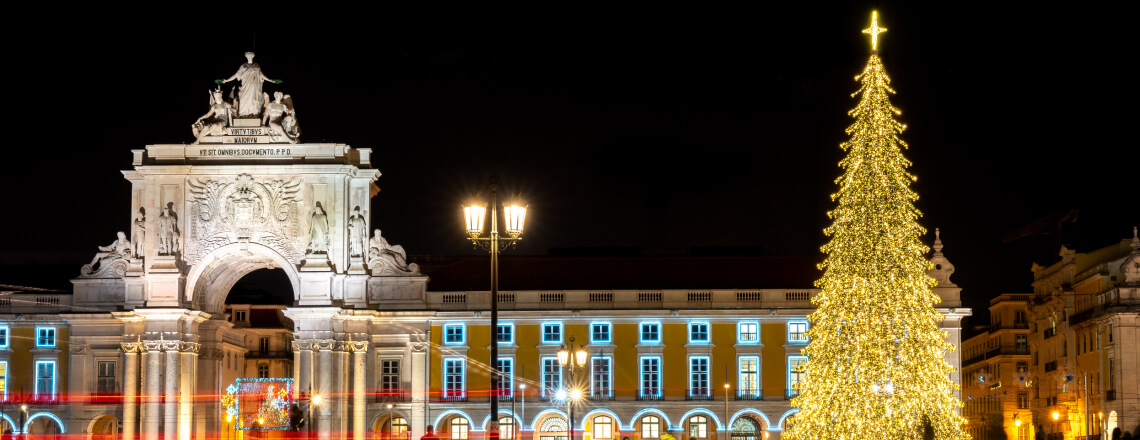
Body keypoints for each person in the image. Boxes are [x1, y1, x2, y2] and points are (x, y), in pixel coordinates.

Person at [219, 52, 281, 118]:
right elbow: (236, 75)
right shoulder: (243, 66)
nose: (249, 57)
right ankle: (243, 114)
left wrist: (270, 80)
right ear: (246, 57)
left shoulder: (256, 65)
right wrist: (227, 80)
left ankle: (253, 113)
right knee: (244, 98)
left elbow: (262, 75)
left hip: (254, 85)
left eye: (250, 56)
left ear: (252, 57)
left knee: (253, 99)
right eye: (248, 56)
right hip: (245, 85)